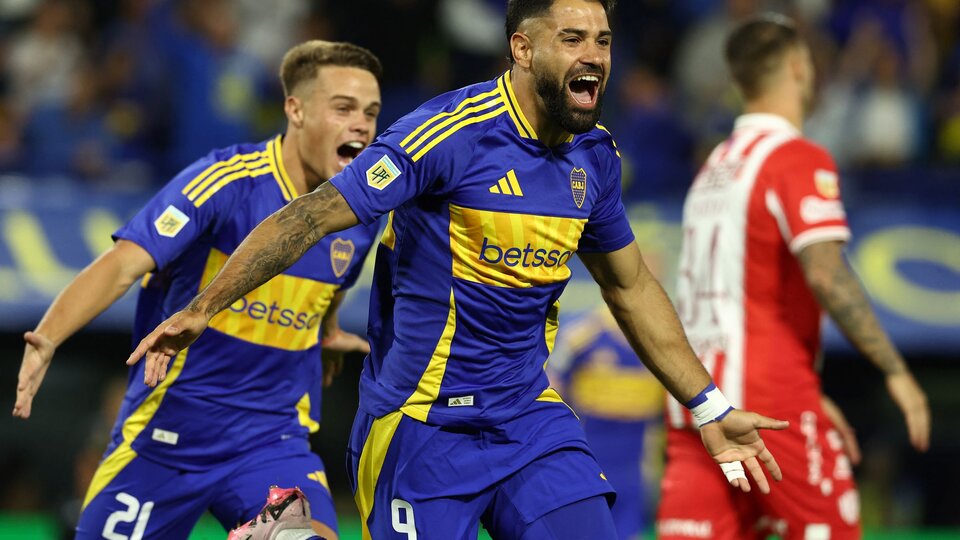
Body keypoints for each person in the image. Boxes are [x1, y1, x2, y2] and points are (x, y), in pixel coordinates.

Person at [128, 2, 790, 539]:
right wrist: (203, 306)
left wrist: (708, 406)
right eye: (572, 38)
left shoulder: (595, 158)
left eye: (604, 40)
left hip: (528, 420)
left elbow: (629, 284)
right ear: (523, 49)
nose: (594, 54)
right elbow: (312, 215)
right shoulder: (449, 134)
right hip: (422, 428)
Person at [13, 40, 384, 540]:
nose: (361, 125)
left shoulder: (359, 213)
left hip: (271, 443)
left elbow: (332, 285)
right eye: (343, 108)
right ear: (295, 110)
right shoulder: (226, 181)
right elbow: (123, 264)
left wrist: (327, 328)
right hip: (167, 440)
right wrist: (49, 336)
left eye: (370, 112)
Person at [657, 15, 931, 540]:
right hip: (769, 402)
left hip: (695, 401)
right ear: (799, 67)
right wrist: (894, 370)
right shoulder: (796, 158)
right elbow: (827, 274)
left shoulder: (712, 168)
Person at [547, 307, 663, 540]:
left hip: (637, 466)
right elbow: (552, 383)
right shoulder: (582, 334)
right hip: (588, 460)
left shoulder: (661, 339)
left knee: (630, 530)